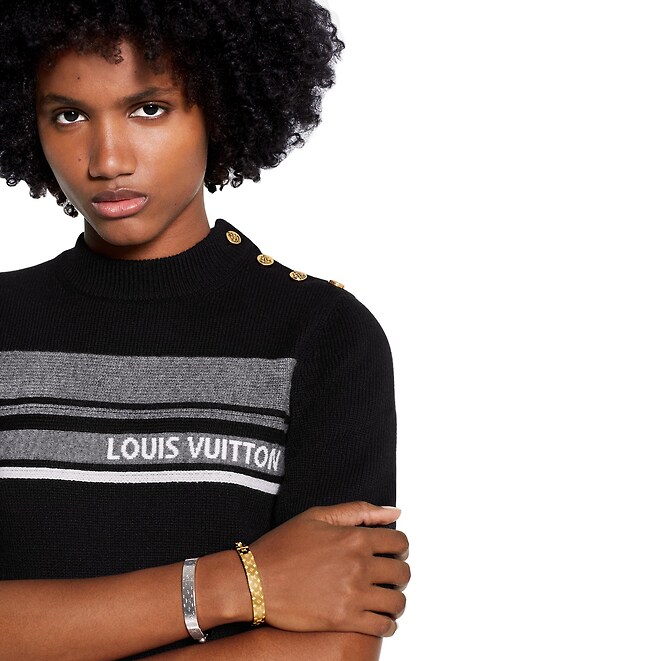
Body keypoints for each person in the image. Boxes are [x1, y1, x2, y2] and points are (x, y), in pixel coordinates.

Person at [0, 1, 409, 659]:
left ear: (219, 107)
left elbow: (335, 647)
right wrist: (241, 583)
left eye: (149, 108)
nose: (107, 159)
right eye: (69, 115)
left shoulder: (321, 336)